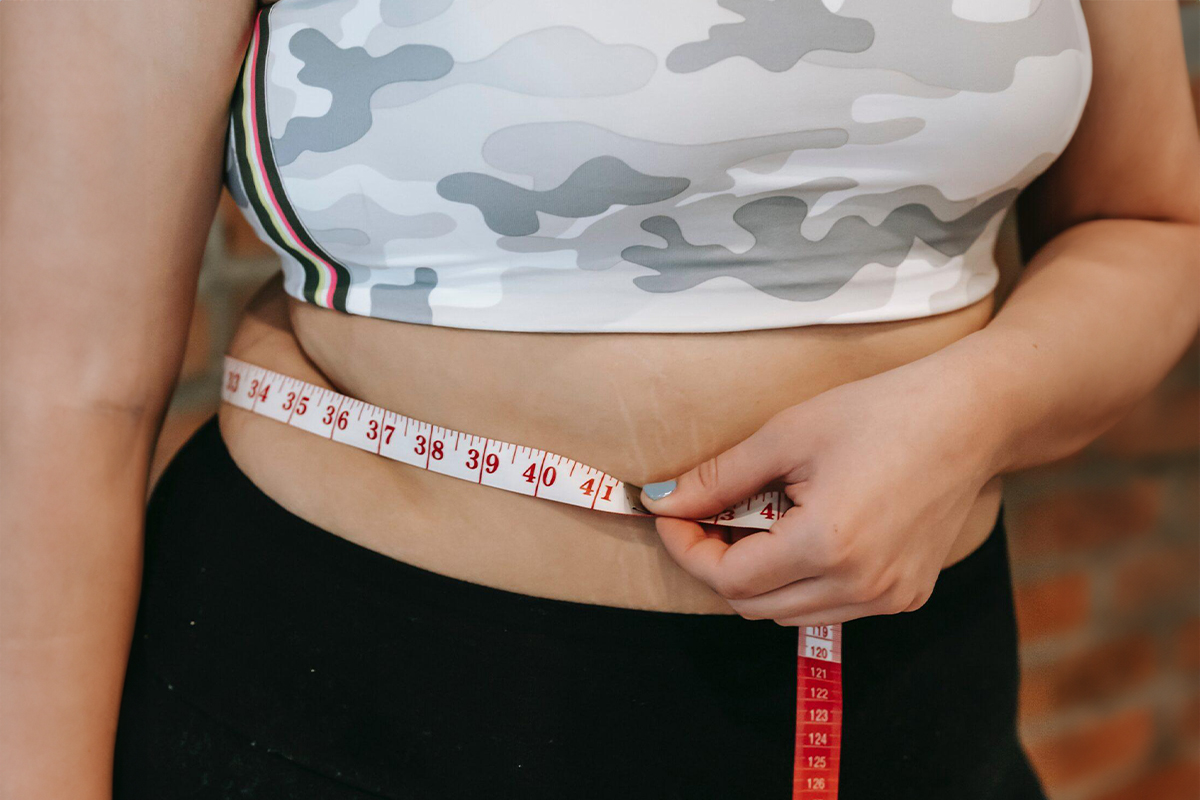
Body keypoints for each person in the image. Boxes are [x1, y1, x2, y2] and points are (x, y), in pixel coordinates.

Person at [2, 1, 1197, 798]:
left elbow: (1157, 223)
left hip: (908, 696)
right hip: (356, 708)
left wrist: (974, 412)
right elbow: (66, 387)